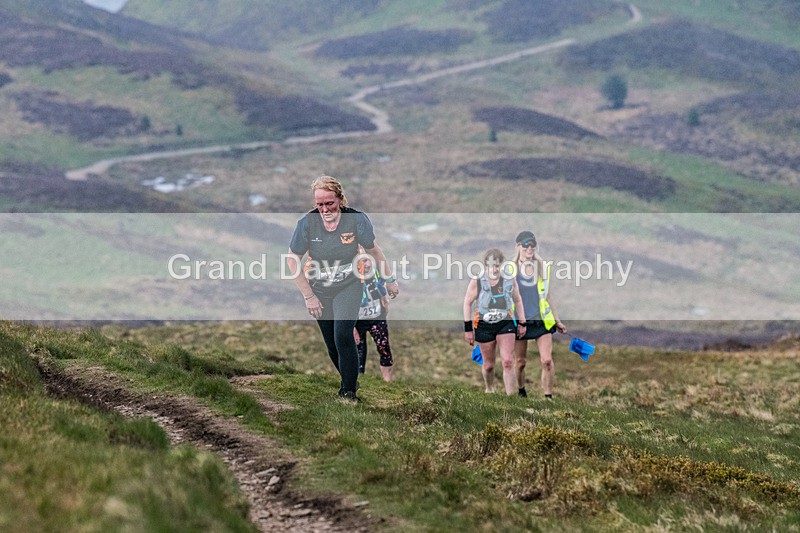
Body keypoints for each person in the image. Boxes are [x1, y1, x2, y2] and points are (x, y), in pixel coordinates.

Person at [286, 176, 399, 401]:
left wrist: (389, 279)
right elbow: (292, 260)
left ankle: (348, 393)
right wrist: (309, 296)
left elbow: (374, 251)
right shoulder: (307, 224)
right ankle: (349, 379)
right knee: (331, 344)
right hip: (319, 289)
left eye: (330, 203)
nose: (325, 209)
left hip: (349, 285)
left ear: (340, 199)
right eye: (320, 204)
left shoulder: (356, 220)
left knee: (343, 335)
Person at [463, 248, 527, 395]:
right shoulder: (478, 280)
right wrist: (468, 329)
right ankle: (489, 388)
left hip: (505, 322)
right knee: (489, 365)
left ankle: (511, 399)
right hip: (484, 325)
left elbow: (517, 300)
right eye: (492, 265)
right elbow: (467, 302)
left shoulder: (509, 279)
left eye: (497, 265)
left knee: (508, 361)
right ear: (486, 266)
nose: (495, 268)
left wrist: (522, 323)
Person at [513, 230, 567, 399]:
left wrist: (557, 320)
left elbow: (548, 296)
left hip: (541, 320)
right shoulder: (510, 269)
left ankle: (548, 397)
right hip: (519, 322)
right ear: (518, 246)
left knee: (547, 361)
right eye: (526, 245)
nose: (530, 248)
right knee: (520, 363)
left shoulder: (541, 268)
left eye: (533, 245)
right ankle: (521, 392)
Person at [354, 267, 395, 382]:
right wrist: (351, 326)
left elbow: (383, 287)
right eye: (362, 262)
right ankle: (359, 380)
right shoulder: (351, 279)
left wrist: (384, 302)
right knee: (358, 351)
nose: (366, 265)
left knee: (384, 347)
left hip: (377, 317)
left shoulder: (376, 273)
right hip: (357, 321)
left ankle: (388, 381)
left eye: (367, 261)